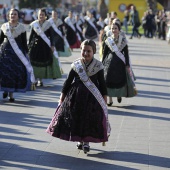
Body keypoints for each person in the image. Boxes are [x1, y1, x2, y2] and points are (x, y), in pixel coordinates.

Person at [46, 40, 111, 154]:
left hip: (92, 99)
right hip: (76, 97)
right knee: (77, 118)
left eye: (88, 51)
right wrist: (62, 95)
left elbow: (102, 83)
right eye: (83, 50)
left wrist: (105, 96)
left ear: (94, 51)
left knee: (89, 120)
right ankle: (80, 140)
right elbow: (68, 81)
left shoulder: (98, 66)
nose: (85, 53)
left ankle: (86, 142)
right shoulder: (76, 65)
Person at [0, 8, 35, 102]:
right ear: (8, 16)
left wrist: (27, 53)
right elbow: (0, 40)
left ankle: (11, 94)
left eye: (15, 14)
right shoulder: (4, 26)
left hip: (17, 55)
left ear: (18, 16)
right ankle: (6, 90)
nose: (13, 16)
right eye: (11, 14)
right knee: (5, 73)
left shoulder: (22, 27)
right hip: (5, 53)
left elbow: (24, 42)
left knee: (13, 74)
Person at [102, 22, 137, 106]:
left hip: (120, 64)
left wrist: (127, 64)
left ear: (119, 30)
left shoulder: (123, 41)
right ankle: (110, 99)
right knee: (108, 81)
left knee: (119, 80)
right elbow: (105, 53)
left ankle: (118, 94)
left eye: (115, 28)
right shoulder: (108, 40)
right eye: (112, 28)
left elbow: (126, 53)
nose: (114, 30)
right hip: (109, 63)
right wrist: (102, 63)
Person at [28, 8, 62, 86]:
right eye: (40, 14)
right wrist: (28, 46)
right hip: (35, 47)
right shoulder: (34, 24)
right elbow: (31, 37)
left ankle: (41, 80)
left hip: (45, 47)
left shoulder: (48, 24)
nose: (41, 16)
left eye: (43, 14)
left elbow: (52, 36)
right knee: (34, 63)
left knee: (43, 64)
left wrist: (52, 45)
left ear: (45, 16)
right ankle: (35, 79)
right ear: (38, 15)